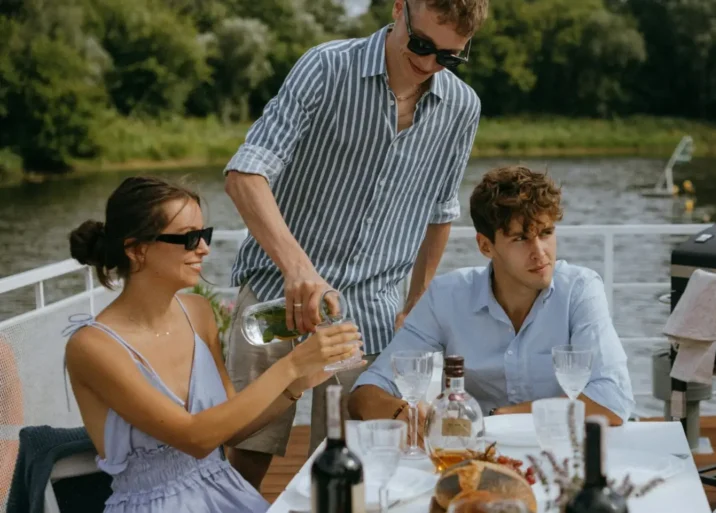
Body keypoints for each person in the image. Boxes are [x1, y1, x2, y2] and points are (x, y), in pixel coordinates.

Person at [220, 0, 489, 487]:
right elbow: (245, 174)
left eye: (449, 56)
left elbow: (440, 210)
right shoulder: (325, 68)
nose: (430, 63)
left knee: (357, 467)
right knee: (247, 458)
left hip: (366, 318)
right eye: (421, 44)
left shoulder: (462, 108)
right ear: (399, 8)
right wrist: (297, 268)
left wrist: (417, 303)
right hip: (275, 299)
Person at [63, 176, 362, 513]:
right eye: (189, 238)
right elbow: (195, 438)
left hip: (225, 490)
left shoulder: (198, 312)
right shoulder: (93, 347)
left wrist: (298, 384)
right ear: (136, 249)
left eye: (204, 234)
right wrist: (290, 366)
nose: (204, 248)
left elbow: (231, 432)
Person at [348, 165, 635, 429]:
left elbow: (612, 399)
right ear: (485, 246)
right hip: (476, 451)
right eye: (520, 239)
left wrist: (502, 417)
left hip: (561, 447)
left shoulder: (580, 289)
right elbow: (366, 393)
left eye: (546, 233)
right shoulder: (446, 296)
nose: (540, 253)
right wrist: (403, 414)